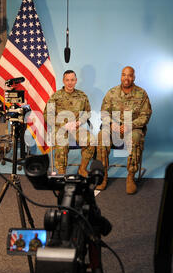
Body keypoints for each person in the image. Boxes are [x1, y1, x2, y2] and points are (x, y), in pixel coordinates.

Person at [96, 66, 152, 194]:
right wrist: (111, 124)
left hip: (132, 128)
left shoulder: (141, 93)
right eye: (124, 75)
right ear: (121, 76)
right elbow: (104, 113)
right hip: (114, 127)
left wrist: (130, 125)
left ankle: (131, 176)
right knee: (102, 136)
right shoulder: (112, 93)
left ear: (134, 77)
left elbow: (146, 115)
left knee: (136, 138)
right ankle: (103, 175)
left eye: (129, 75)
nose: (126, 78)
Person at [43, 70, 95, 176]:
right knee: (62, 142)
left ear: (76, 81)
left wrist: (79, 122)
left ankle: (82, 168)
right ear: (63, 81)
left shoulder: (82, 95)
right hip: (60, 128)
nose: (70, 82)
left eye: (72, 80)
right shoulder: (56, 97)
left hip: (75, 127)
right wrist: (63, 125)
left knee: (92, 141)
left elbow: (87, 112)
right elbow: (47, 115)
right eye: (67, 80)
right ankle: (62, 174)